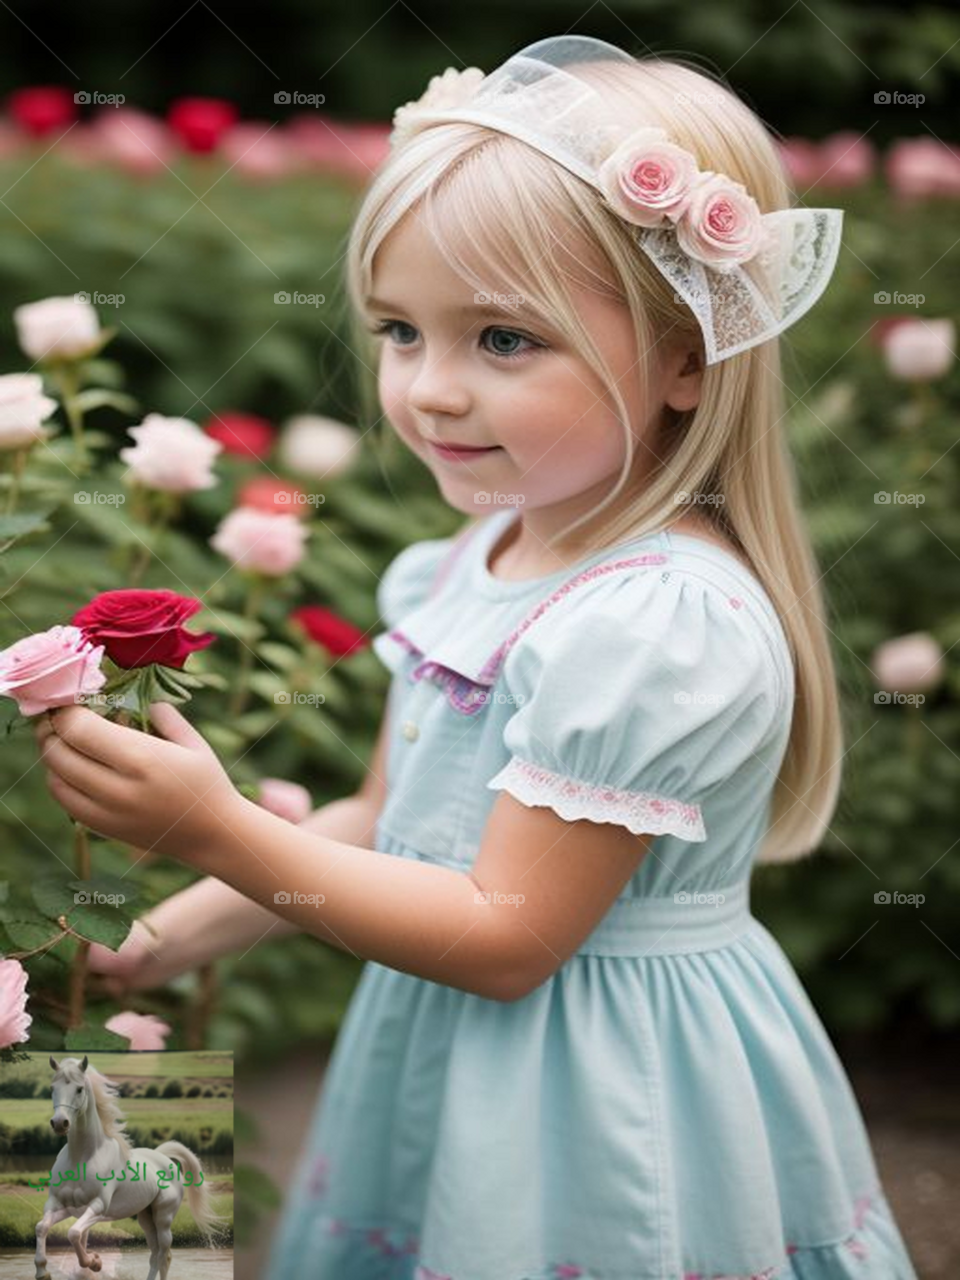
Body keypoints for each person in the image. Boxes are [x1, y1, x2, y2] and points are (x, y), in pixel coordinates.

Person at [47, 33, 918, 1279]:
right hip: (439, 1054)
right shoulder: (481, 558)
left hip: (600, 1090)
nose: (431, 391)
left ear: (686, 356)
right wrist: (172, 932)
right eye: (401, 330)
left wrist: (217, 827)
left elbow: (508, 935)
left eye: (504, 340)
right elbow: (388, 821)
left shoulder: (655, 624)